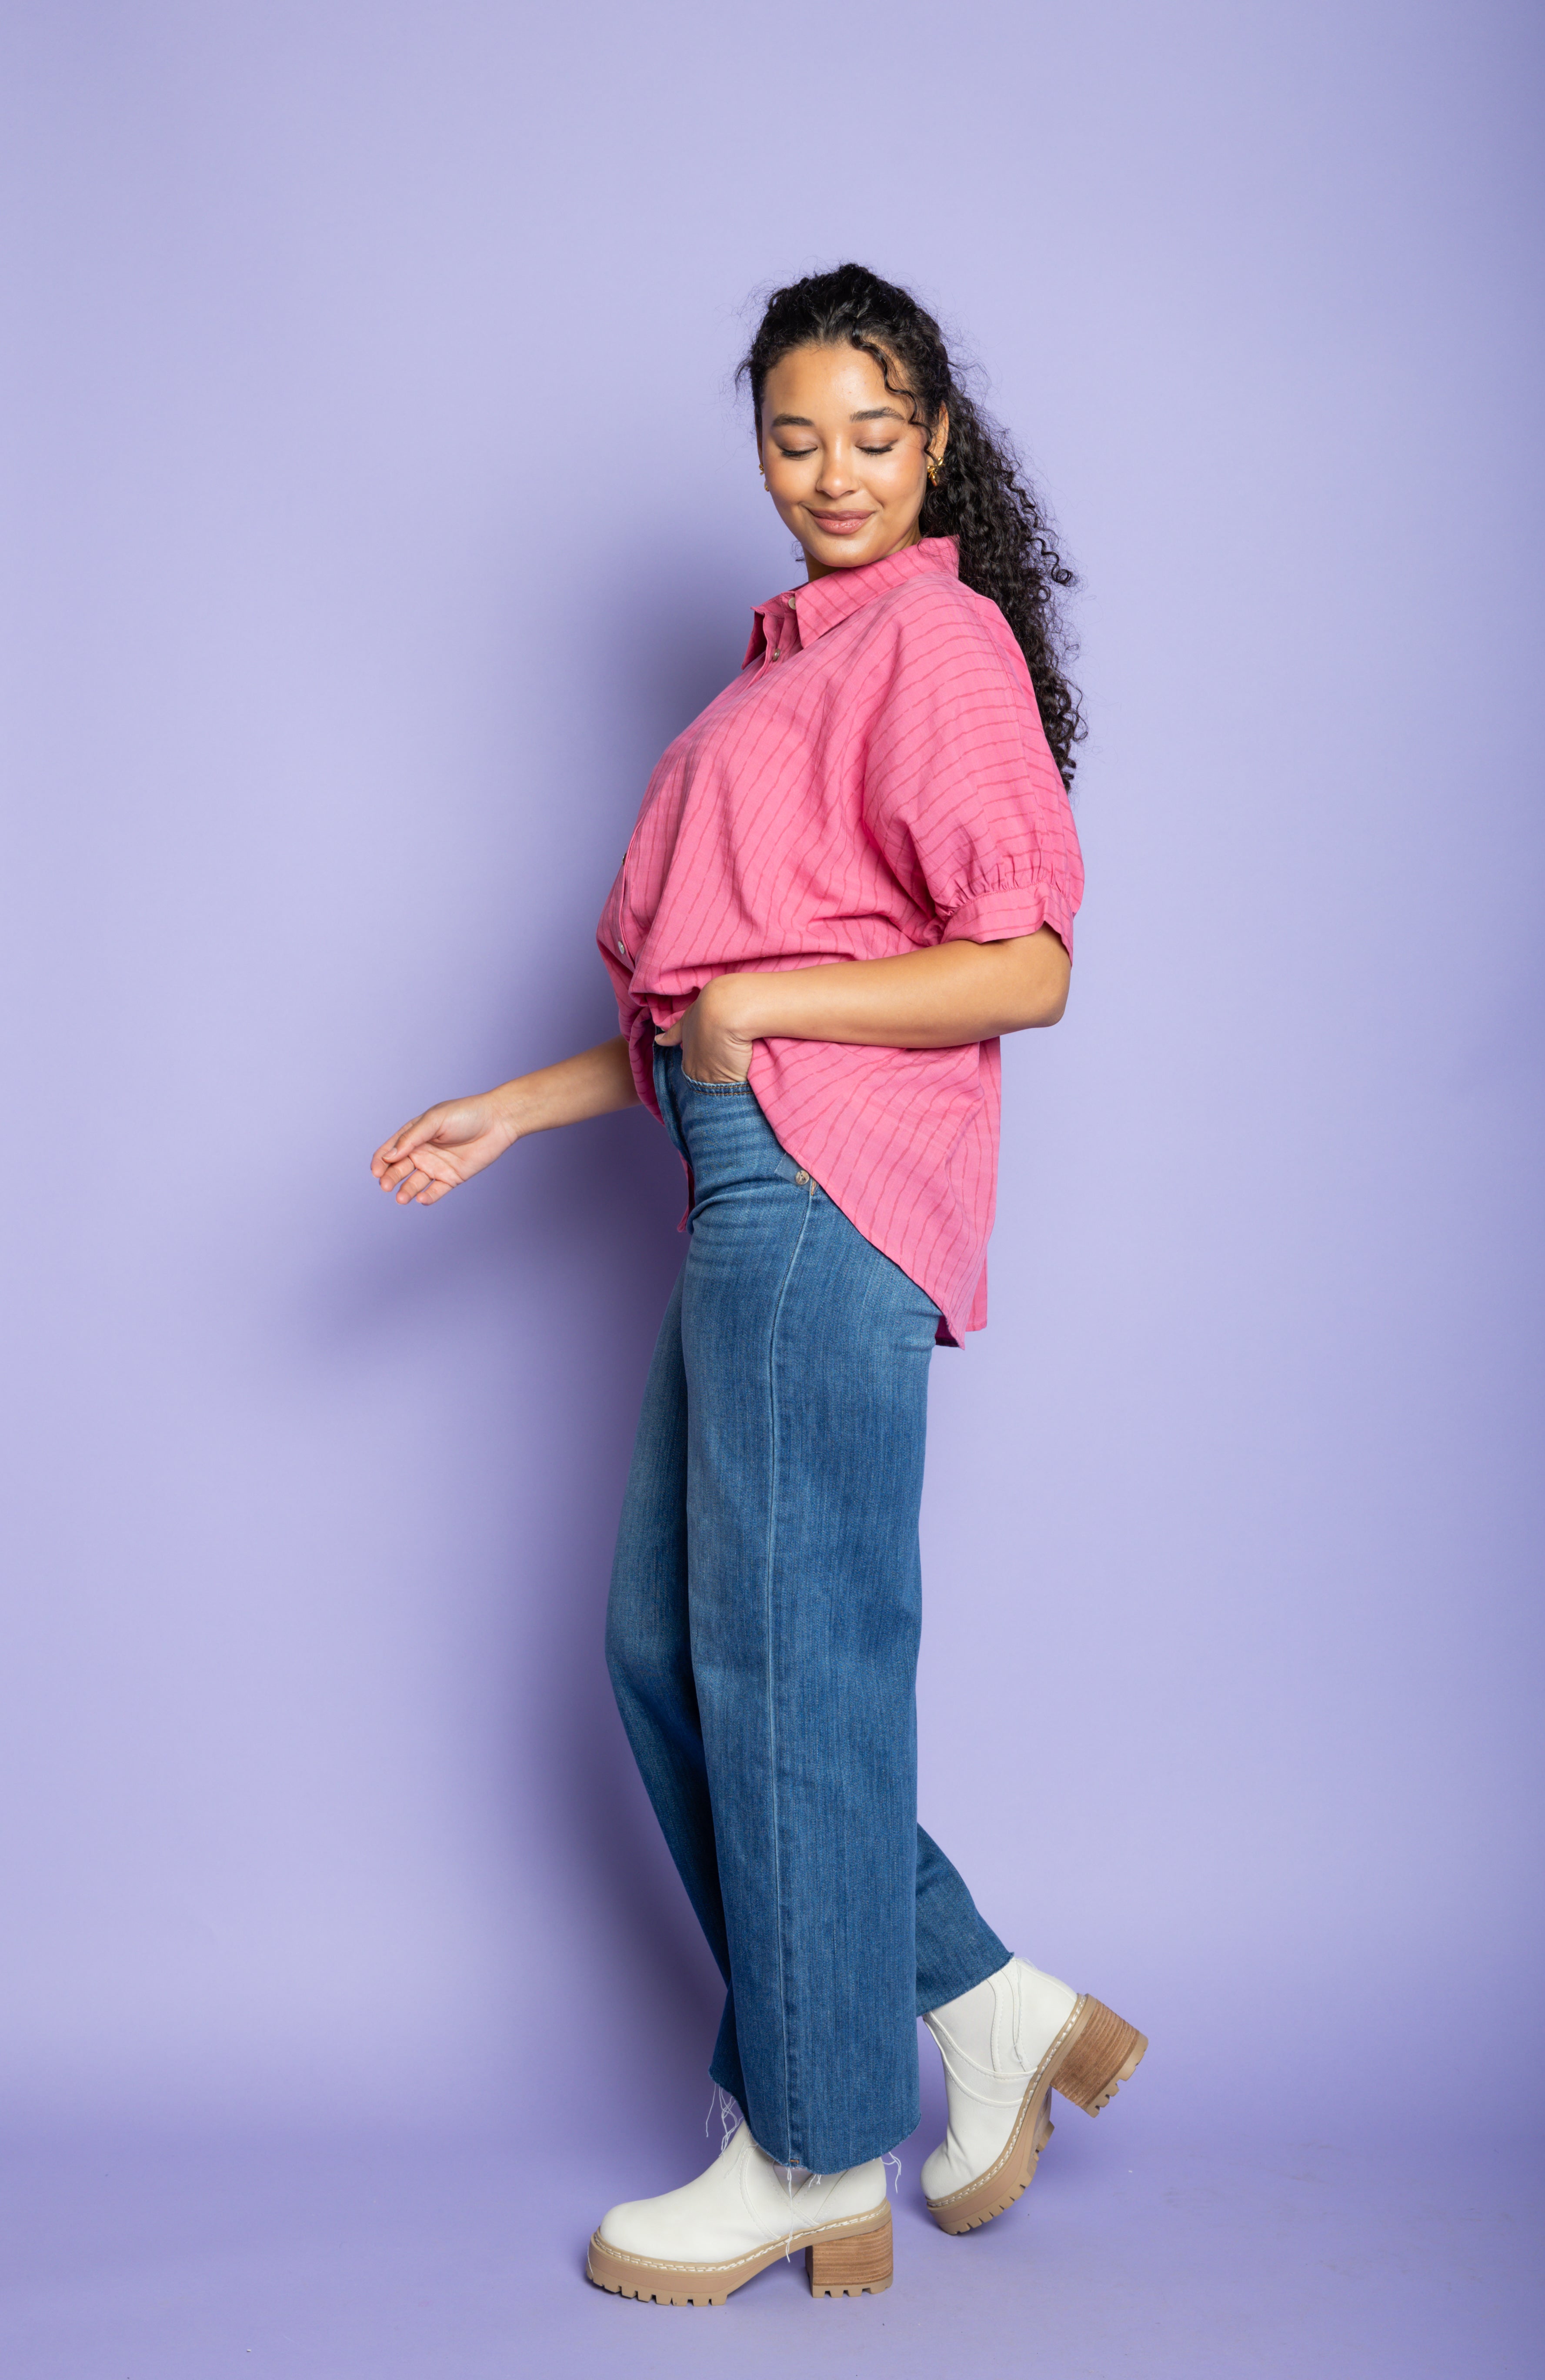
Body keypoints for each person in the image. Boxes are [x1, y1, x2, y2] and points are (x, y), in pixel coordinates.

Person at [371, 263, 1145, 2307]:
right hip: (743, 1175)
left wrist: (761, 1012)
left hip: (827, 1186)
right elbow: (697, 1006)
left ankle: (810, 2149)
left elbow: (1027, 967)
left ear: (938, 445)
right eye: (795, 438)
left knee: (787, 1664)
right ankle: (980, 2007)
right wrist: (522, 1112)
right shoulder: (768, 677)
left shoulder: (942, 642)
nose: (833, 473)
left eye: (873, 437)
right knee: (667, 1649)